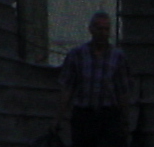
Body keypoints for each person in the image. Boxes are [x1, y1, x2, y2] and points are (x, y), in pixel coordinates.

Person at [57, 11, 133, 147]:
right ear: (91, 30)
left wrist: (125, 120)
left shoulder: (117, 57)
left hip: (108, 115)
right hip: (84, 115)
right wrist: (59, 118)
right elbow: (67, 88)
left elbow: (123, 91)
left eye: (106, 29)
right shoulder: (77, 55)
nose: (103, 33)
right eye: (99, 29)